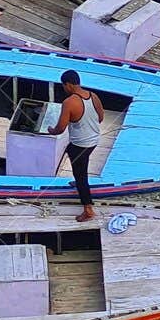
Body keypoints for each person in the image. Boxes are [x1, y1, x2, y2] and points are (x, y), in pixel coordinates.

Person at [51, 70, 103, 222]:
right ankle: (79, 179)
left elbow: (60, 128)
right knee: (76, 160)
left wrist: (50, 130)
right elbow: (100, 117)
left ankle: (88, 209)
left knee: (81, 176)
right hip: (93, 141)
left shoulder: (69, 103)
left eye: (64, 86)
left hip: (80, 144)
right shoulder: (93, 96)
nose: (64, 89)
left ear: (68, 85)